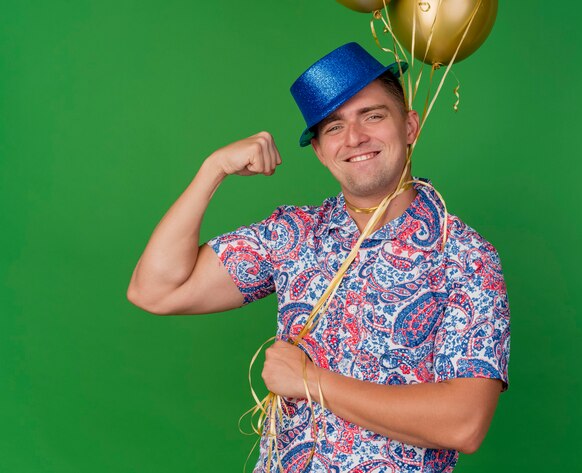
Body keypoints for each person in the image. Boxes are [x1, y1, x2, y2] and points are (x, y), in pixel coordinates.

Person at [127, 42, 510, 472]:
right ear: (321, 152)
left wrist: (312, 381)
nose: (355, 138)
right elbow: (155, 290)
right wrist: (212, 170)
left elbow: (463, 424)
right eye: (333, 127)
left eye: (373, 115)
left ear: (410, 126)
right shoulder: (293, 235)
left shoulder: (465, 257)